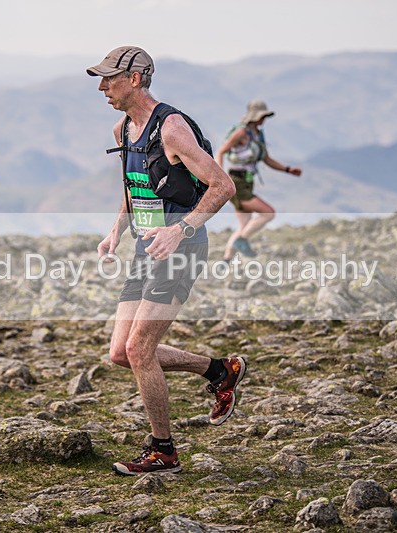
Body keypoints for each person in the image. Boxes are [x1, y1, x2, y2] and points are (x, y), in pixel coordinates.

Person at [87, 46, 245, 476]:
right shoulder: (123, 129)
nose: (102, 87)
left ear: (135, 78)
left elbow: (223, 186)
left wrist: (181, 230)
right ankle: (220, 370)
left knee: (139, 349)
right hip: (147, 247)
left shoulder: (172, 129)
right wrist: (116, 230)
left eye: (109, 78)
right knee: (120, 352)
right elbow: (134, 185)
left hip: (181, 249)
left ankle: (164, 451)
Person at [215, 100, 302, 260]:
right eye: (262, 116)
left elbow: (267, 159)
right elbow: (221, 151)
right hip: (237, 182)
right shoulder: (241, 133)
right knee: (268, 213)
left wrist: (288, 169)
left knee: (244, 226)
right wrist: (221, 176)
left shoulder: (258, 135)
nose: (264, 119)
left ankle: (225, 261)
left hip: (248, 182)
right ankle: (241, 241)